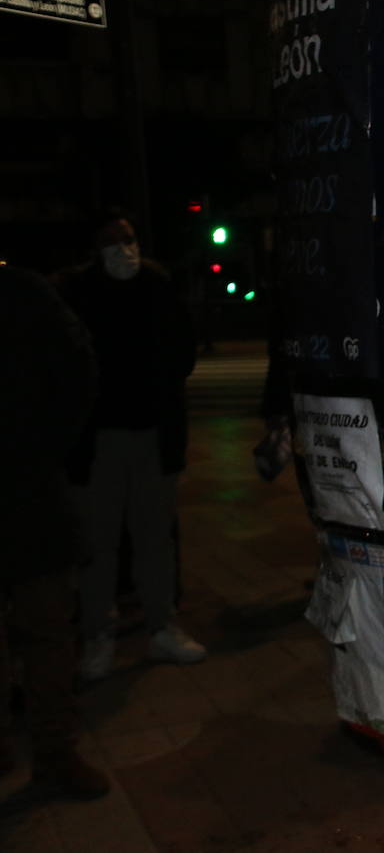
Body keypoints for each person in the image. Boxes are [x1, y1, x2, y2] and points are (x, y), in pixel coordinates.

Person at [61, 211, 207, 681]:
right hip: (99, 439)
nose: (123, 250)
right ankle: (98, 633)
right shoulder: (76, 292)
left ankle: (162, 625)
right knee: (98, 543)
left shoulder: (156, 286)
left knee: (154, 539)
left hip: (151, 435)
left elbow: (182, 349)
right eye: (112, 242)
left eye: (128, 240)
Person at [0, 262, 110, 800]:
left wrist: (41, 451)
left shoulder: (24, 294)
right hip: (31, 484)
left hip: (28, 492)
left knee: (46, 630)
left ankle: (54, 754)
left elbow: (78, 372)